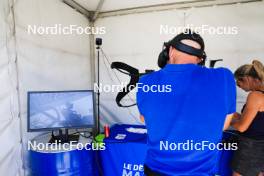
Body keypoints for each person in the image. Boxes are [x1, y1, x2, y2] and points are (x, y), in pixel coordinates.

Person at [136, 31, 236, 176]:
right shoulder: (224, 77)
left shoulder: (145, 81)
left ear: (169, 51)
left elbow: (145, 120)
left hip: (156, 170)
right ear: (200, 59)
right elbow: (223, 125)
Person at [231, 60, 264, 176]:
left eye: (239, 81)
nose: (237, 85)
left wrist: (228, 120)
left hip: (251, 148)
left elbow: (241, 127)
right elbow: (258, 121)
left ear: (247, 78)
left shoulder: (255, 95)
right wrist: (238, 116)